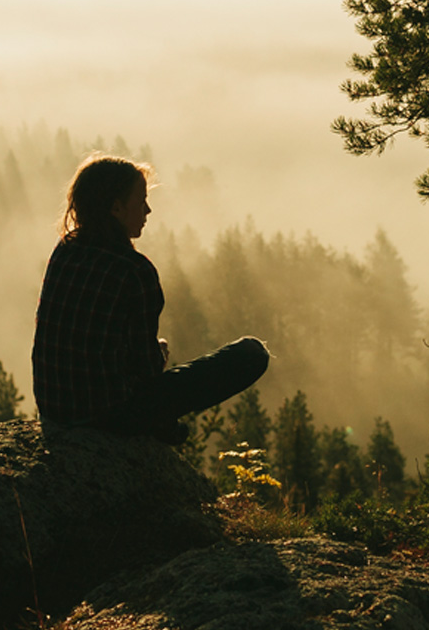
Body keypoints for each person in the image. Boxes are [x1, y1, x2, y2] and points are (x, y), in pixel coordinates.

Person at [32, 153, 268, 444]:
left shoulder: (64, 250)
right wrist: (160, 354)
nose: (148, 210)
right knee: (251, 354)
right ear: (116, 208)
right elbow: (145, 371)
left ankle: (161, 427)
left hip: (53, 409)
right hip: (108, 416)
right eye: (141, 201)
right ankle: (157, 427)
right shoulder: (134, 271)